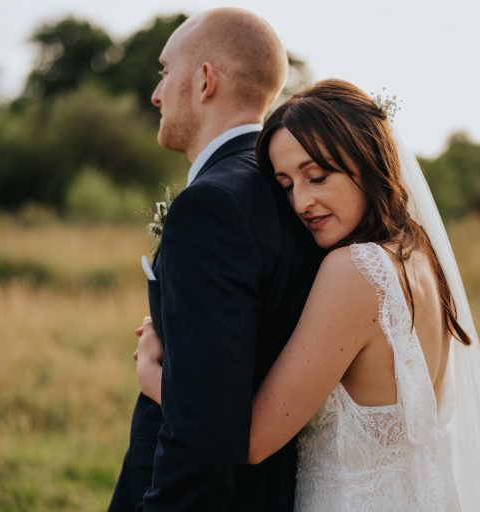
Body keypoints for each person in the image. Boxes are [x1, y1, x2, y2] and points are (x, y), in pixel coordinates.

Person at [135, 79, 480, 511]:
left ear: (369, 163)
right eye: (286, 185)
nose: (301, 202)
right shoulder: (418, 256)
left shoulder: (354, 270)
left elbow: (249, 441)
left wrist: (155, 376)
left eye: (316, 176)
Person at [108, 8, 323, 512]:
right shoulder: (288, 193)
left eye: (165, 72)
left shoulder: (213, 206)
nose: (157, 93)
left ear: (205, 80)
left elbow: (203, 438)